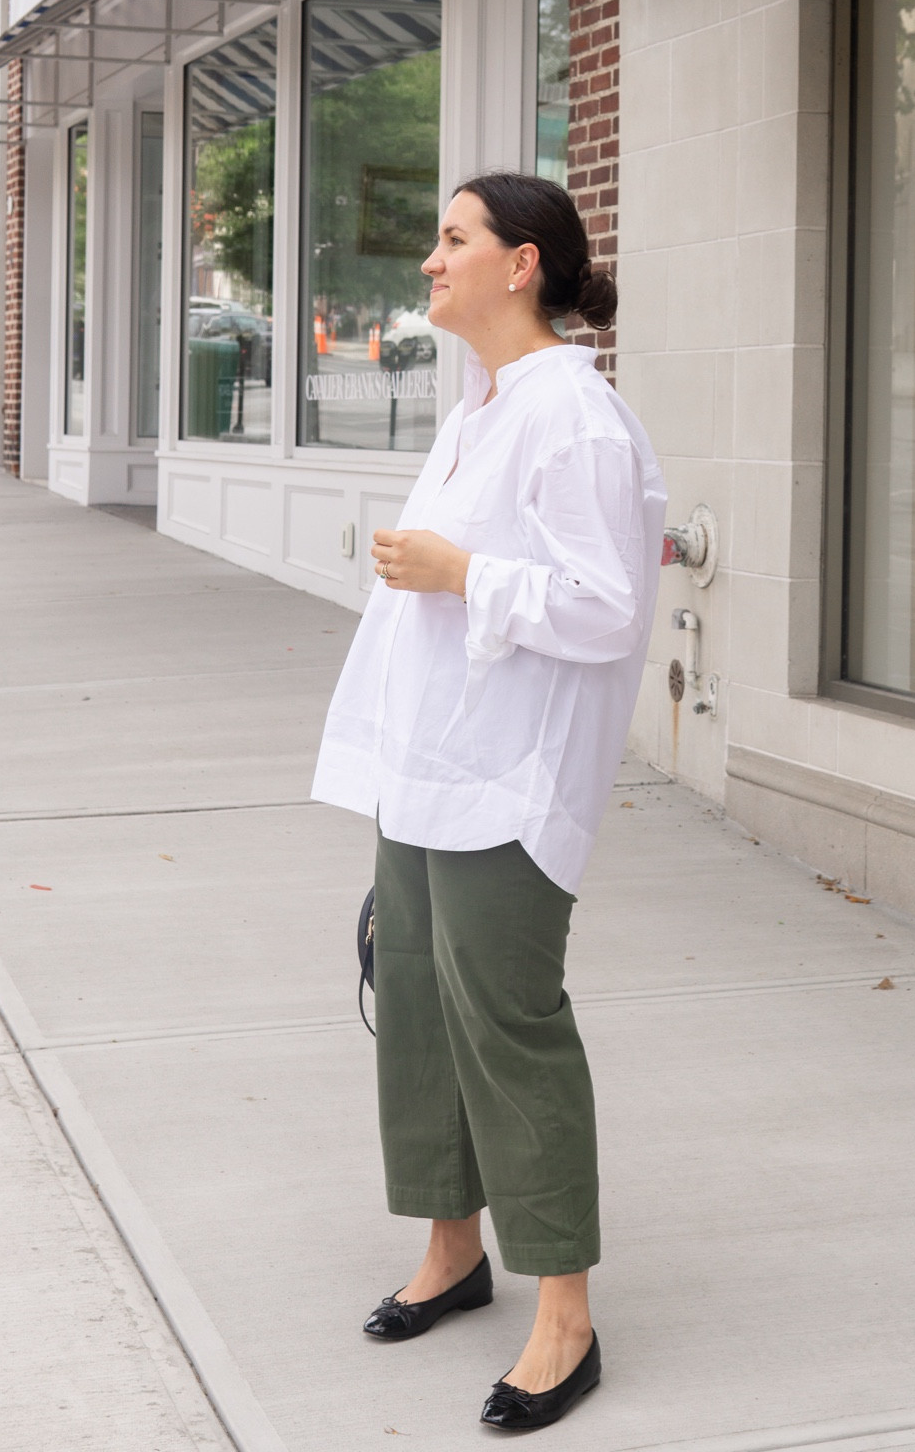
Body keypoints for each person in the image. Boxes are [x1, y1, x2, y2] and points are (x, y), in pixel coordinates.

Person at [312, 171, 666, 1434]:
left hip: (508, 785)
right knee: (413, 1005)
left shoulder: (573, 416)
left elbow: (606, 604)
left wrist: (462, 570)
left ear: (520, 264)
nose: (428, 260)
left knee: (508, 1024)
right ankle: (454, 1249)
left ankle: (563, 1311)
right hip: (427, 769)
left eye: (451, 238)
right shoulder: (480, 404)